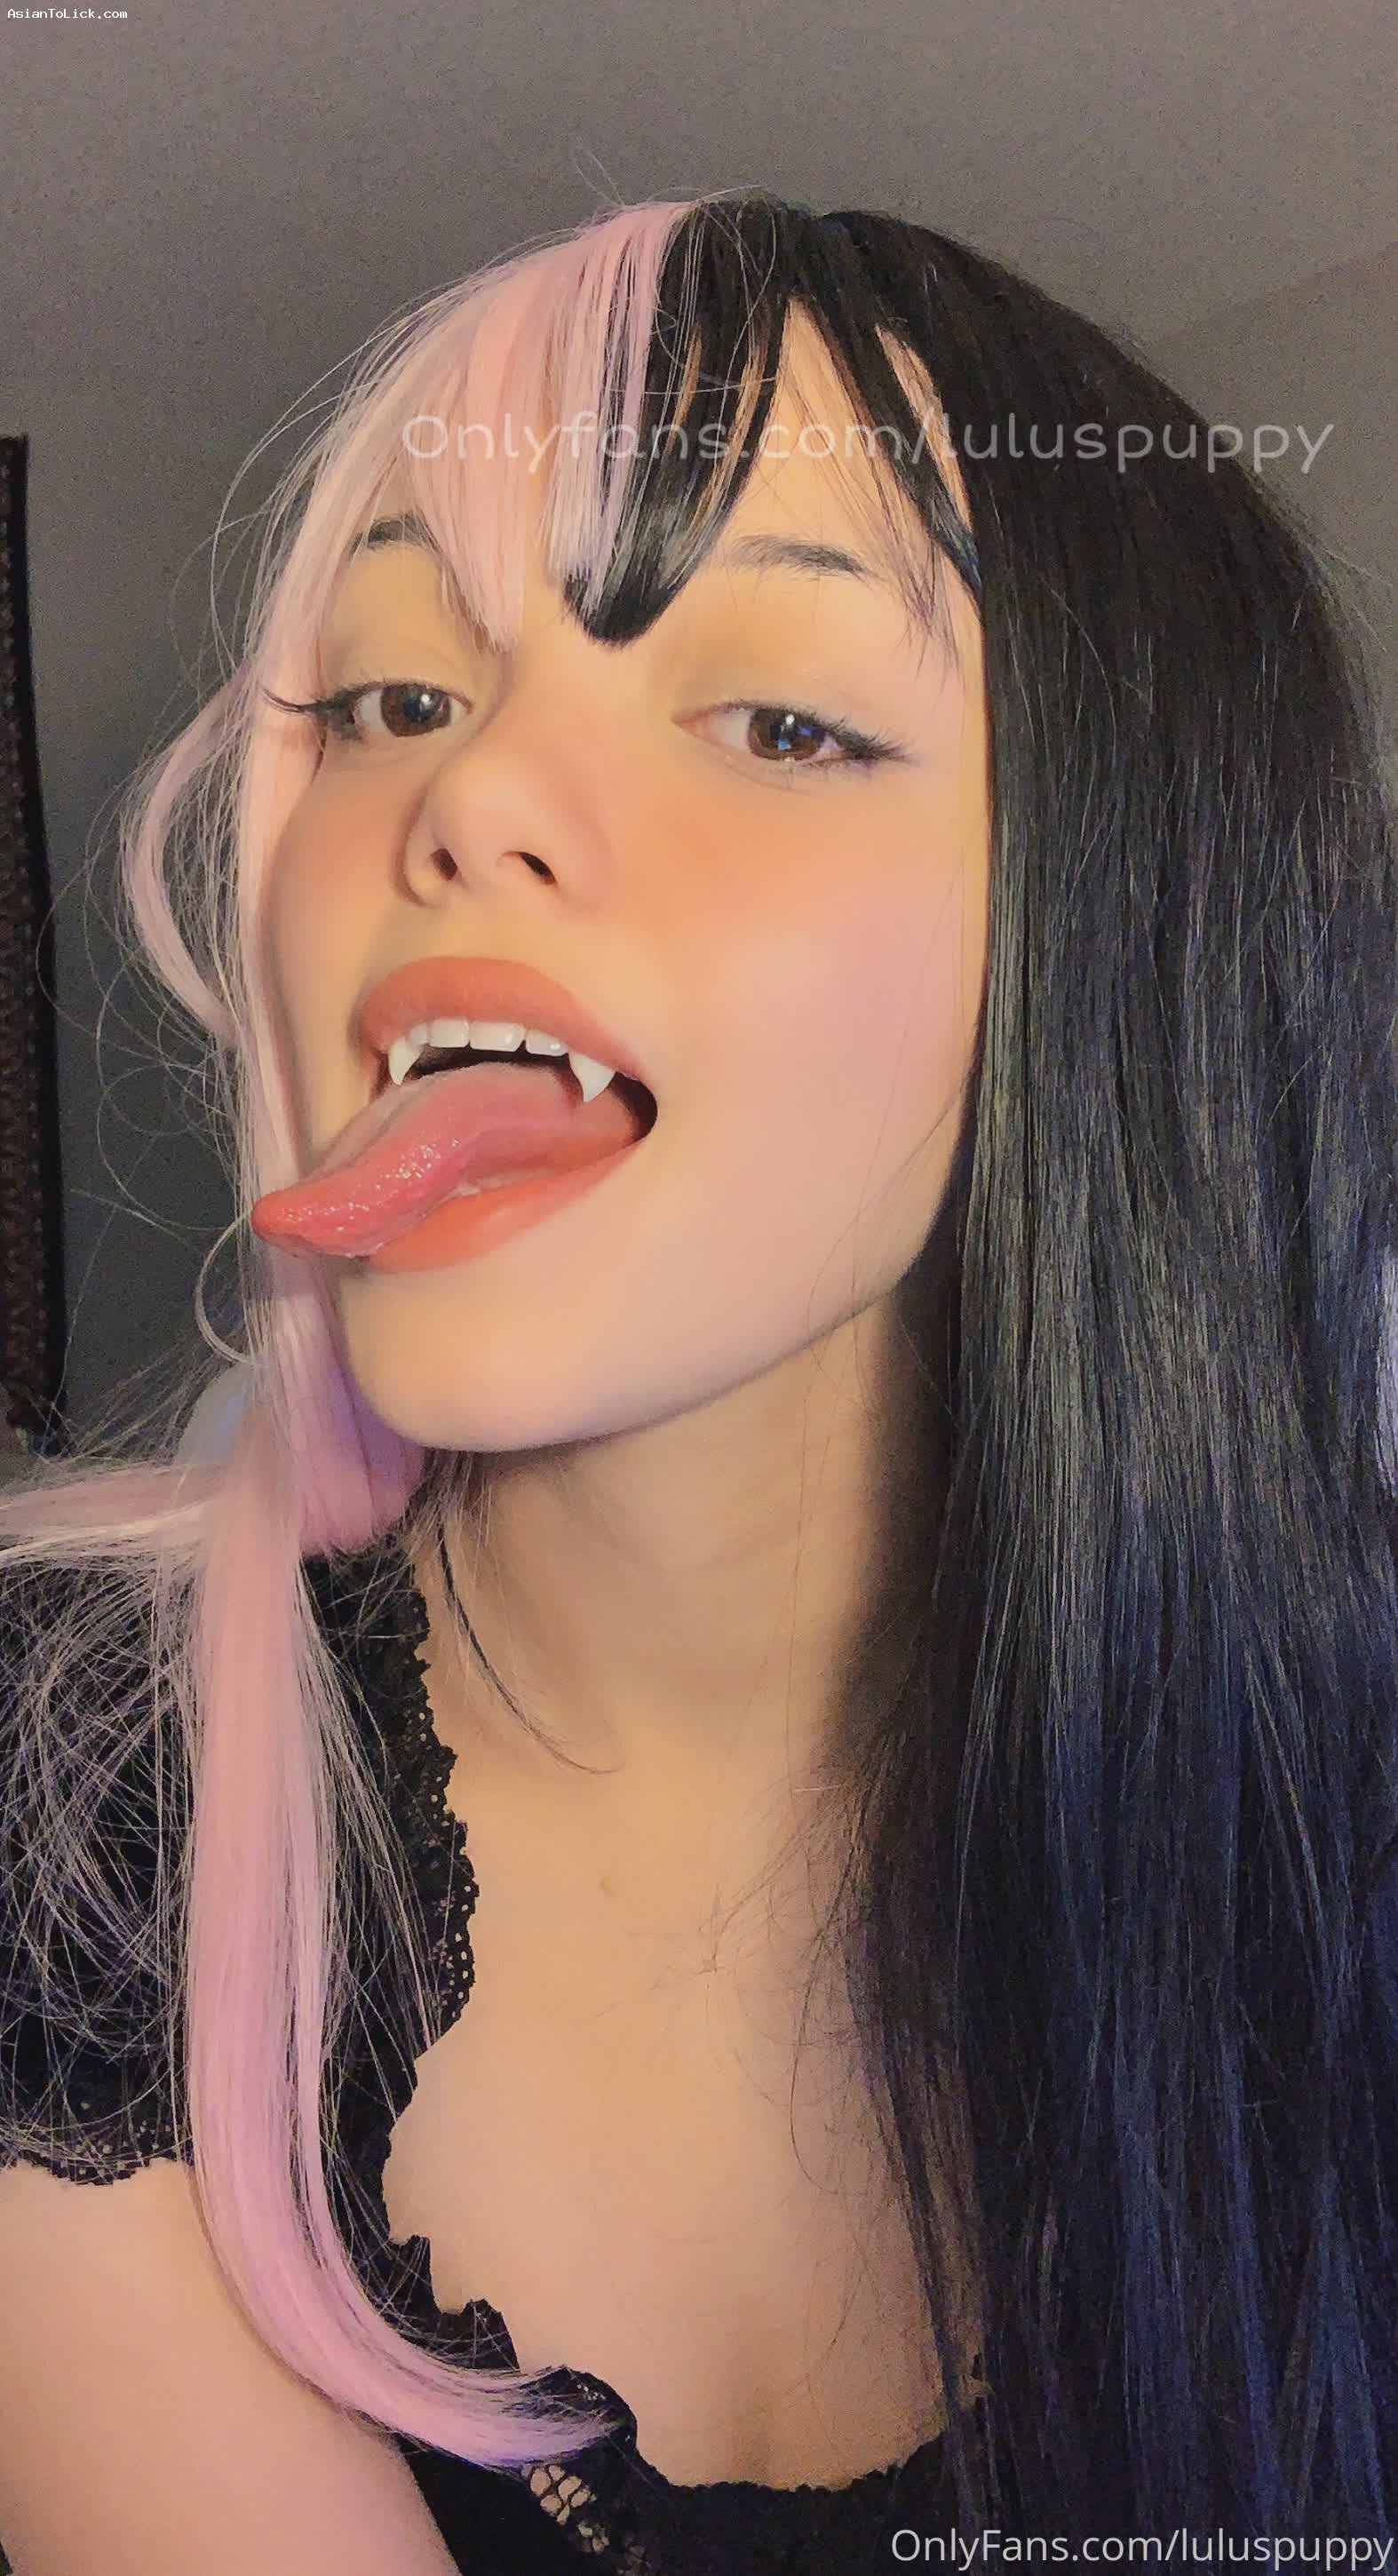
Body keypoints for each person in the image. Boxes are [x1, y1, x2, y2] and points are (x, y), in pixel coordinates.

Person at [0, 187, 1394, 2574]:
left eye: (780, 717)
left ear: (1129, 939)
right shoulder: (63, 1798)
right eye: (397, 697)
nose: (461, 801)